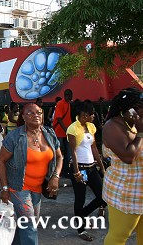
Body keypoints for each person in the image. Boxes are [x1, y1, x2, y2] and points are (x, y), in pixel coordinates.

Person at [0, 103, 63, 245]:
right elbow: (1, 161)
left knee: (24, 226)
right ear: (23, 116)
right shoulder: (15, 136)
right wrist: (4, 188)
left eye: (39, 112)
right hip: (19, 188)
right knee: (30, 226)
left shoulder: (49, 134)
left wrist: (55, 176)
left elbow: (59, 157)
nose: (36, 116)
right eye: (31, 113)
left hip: (38, 188)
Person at [102, 88, 143, 245]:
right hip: (126, 193)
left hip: (139, 191)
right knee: (119, 236)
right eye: (139, 107)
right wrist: (141, 133)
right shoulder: (112, 126)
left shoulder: (134, 123)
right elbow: (128, 156)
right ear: (125, 109)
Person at [67, 100, 106, 241]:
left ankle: (82, 214)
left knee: (103, 196)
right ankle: (81, 230)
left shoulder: (91, 127)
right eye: (92, 114)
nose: (93, 116)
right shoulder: (73, 129)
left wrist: (101, 167)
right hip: (80, 168)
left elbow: (94, 147)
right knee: (80, 198)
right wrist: (76, 172)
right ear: (84, 115)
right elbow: (73, 151)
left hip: (91, 167)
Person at [53, 89, 74, 177]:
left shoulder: (68, 104)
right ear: (67, 95)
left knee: (68, 152)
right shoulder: (60, 103)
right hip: (59, 132)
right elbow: (58, 118)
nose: (72, 97)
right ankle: (57, 170)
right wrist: (65, 129)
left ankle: (65, 171)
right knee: (58, 152)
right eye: (70, 96)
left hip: (66, 132)